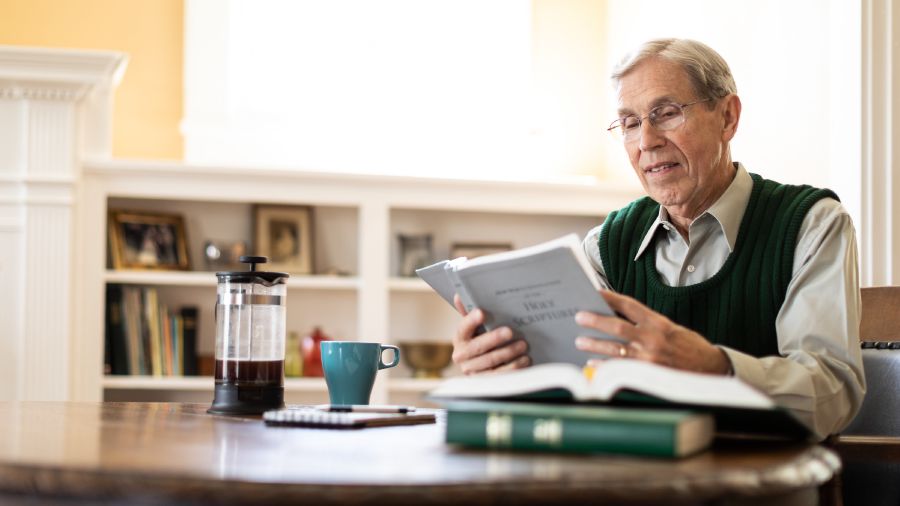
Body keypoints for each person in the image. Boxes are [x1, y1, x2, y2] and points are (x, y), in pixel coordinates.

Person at [450, 38, 865, 440]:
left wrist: (717, 367)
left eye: (666, 113)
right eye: (630, 123)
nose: (647, 141)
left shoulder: (811, 223)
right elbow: (582, 387)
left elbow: (832, 396)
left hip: (761, 484)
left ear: (728, 118)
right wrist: (504, 373)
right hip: (627, 479)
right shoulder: (605, 247)